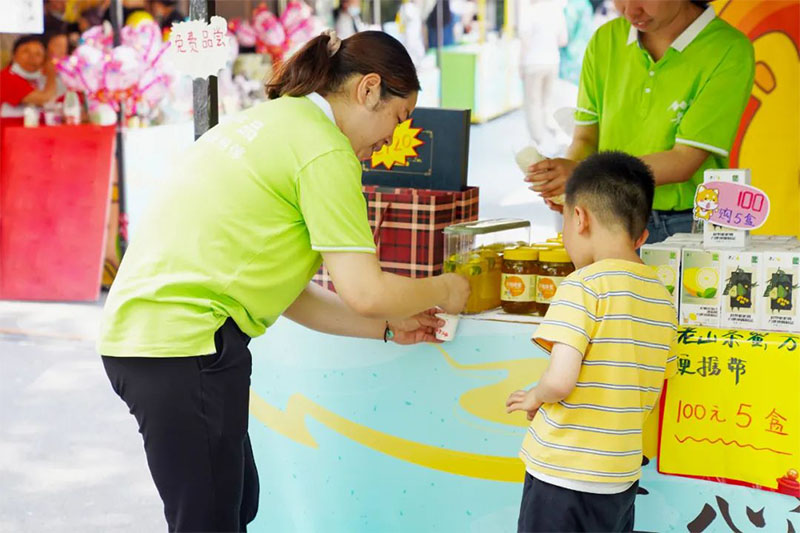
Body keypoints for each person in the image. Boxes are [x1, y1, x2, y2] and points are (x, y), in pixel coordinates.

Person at [98, 30, 470, 532]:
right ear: (368, 90)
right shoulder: (325, 150)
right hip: (185, 344)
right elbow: (366, 291)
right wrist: (446, 288)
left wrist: (388, 328)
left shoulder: (273, 118)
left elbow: (290, 294)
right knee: (211, 520)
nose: (393, 138)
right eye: (398, 118)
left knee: (238, 503)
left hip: (154, 341)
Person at [506, 151, 678, 532]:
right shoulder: (662, 297)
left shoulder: (583, 285)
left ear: (579, 218)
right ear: (642, 236)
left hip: (563, 474)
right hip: (620, 476)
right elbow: (654, 385)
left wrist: (536, 396)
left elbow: (561, 380)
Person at [523, 0, 755, 244]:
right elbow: (586, 137)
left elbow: (684, 160)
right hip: (607, 217)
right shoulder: (606, 39)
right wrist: (566, 183)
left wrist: (586, 176)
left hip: (685, 225)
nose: (631, 11)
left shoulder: (728, 49)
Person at [518, 0, 568, 147]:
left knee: (533, 103)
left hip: (532, 63)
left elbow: (525, 41)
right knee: (548, 103)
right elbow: (563, 40)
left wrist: (520, 64)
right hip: (553, 61)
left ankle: (536, 142)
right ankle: (558, 134)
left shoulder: (529, 11)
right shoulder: (556, 10)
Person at [0, 36, 58, 127]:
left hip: (38, 135)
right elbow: (43, 99)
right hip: (10, 137)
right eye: (26, 51)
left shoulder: (41, 79)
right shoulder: (6, 77)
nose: (32, 57)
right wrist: (51, 73)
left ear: (43, 60)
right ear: (14, 56)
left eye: (38, 54)